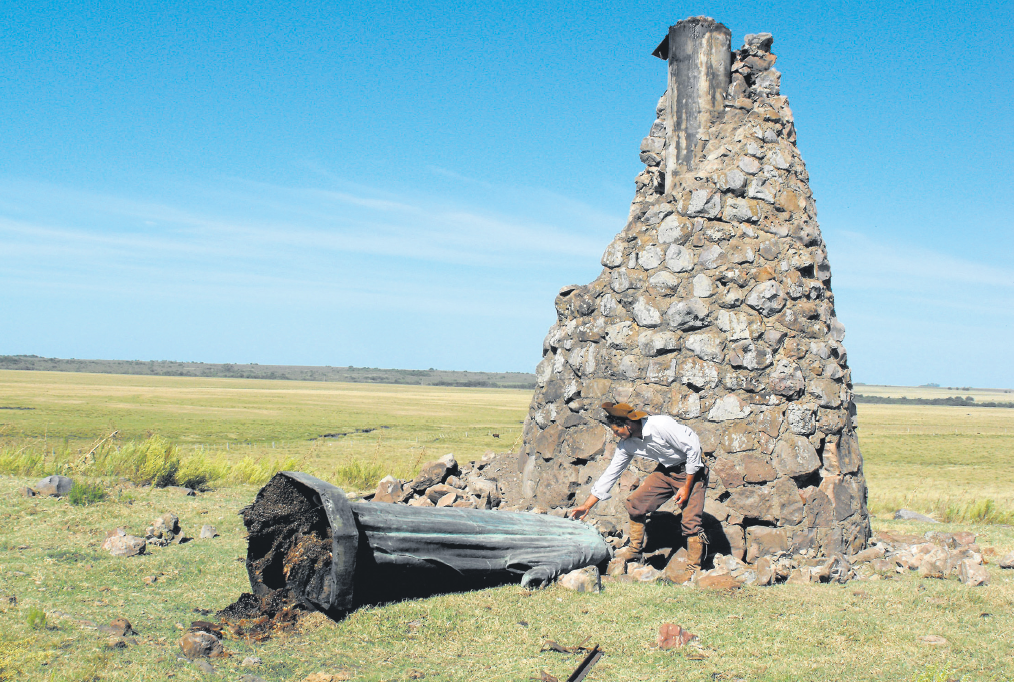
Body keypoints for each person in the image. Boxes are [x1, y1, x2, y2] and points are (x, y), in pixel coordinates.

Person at [570, 402, 710, 572]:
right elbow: (611, 473)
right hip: (667, 471)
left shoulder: (660, 425)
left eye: (616, 431)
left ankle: (693, 570)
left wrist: (687, 487)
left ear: (628, 425)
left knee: (690, 522)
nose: (615, 435)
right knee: (635, 503)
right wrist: (587, 505)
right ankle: (635, 551)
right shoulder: (626, 445)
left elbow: (693, 448)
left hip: (692, 471)